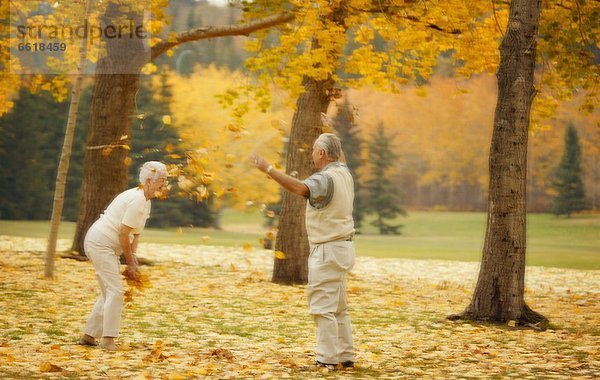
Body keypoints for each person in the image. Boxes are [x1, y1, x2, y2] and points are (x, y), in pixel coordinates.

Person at [250, 133, 356, 370]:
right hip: (344, 248)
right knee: (338, 307)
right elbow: (341, 158)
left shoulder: (325, 179)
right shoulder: (344, 173)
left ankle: (326, 359)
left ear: (321, 154)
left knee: (322, 307)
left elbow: (301, 188)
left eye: (314, 150)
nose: (311, 154)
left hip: (327, 250)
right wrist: (331, 131)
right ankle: (345, 356)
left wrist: (268, 168)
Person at [78, 161, 169, 350]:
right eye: (162, 180)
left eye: (165, 180)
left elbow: (135, 233)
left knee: (109, 290)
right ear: (149, 181)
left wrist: (133, 258)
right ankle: (108, 340)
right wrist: (129, 263)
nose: (164, 184)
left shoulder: (146, 201)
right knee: (116, 291)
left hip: (107, 246)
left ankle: (89, 336)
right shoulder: (136, 199)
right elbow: (122, 232)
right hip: (100, 243)